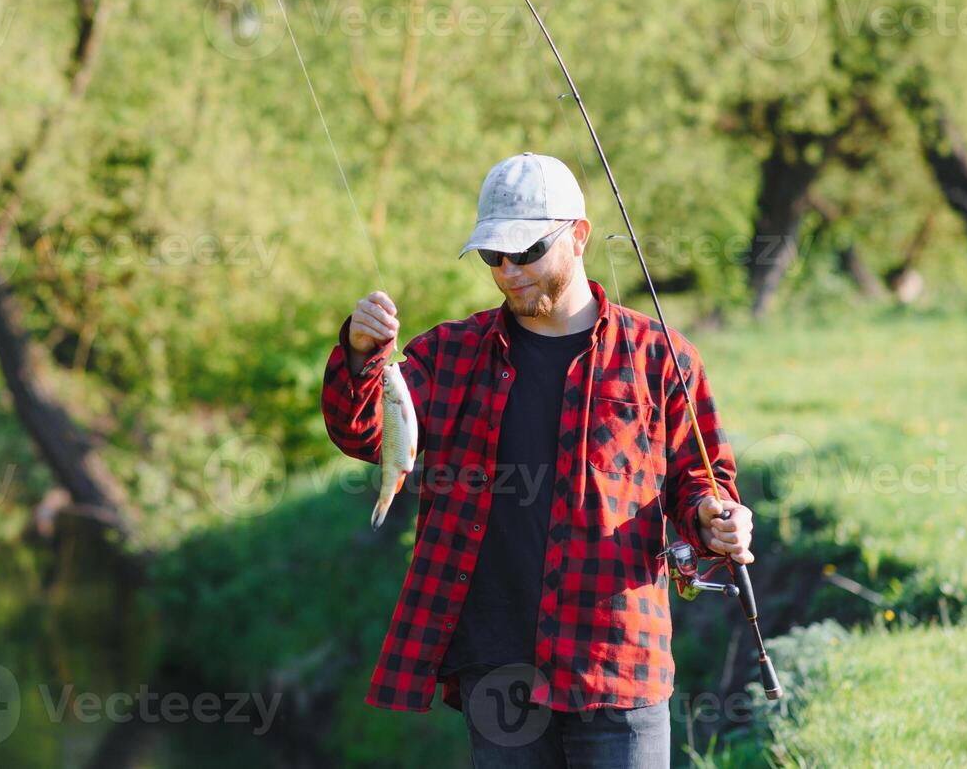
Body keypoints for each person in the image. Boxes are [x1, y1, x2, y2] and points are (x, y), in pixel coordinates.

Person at [321, 152, 755, 768]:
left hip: (617, 667)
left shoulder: (662, 358)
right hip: (495, 672)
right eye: (492, 257)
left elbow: (699, 482)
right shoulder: (448, 353)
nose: (507, 271)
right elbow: (363, 432)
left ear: (578, 236)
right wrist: (360, 356)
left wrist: (717, 519)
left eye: (525, 253)